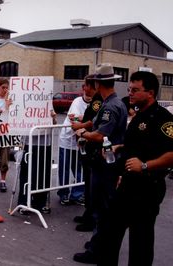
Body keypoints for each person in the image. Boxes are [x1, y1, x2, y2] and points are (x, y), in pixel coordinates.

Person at [97, 71, 173, 266]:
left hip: (147, 189)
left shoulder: (163, 119)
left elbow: (171, 155)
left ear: (150, 93)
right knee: (109, 233)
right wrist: (120, 147)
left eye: (135, 90)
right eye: (129, 89)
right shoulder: (138, 114)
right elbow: (139, 145)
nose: (130, 93)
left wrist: (145, 165)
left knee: (141, 242)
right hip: (127, 185)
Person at [73, 63, 128, 264]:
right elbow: (95, 123)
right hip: (105, 162)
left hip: (106, 164)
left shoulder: (111, 106)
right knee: (101, 206)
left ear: (98, 83)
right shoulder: (110, 103)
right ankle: (99, 243)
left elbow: (100, 134)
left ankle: (99, 249)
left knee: (103, 208)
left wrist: (83, 133)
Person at [57, 79, 96, 206]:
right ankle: (63, 194)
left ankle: (77, 194)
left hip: (82, 141)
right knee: (65, 169)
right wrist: (86, 120)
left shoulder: (97, 104)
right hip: (68, 139)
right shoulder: (77, 101)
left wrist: (83, 120)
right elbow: (73, 119)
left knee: (80, 169)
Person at [71, 78, 103, 232]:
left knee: (92, 185)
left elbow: (93, 121)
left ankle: (91, 219)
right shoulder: (95, 100)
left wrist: (80, 126)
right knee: (88, 183)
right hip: (89, 146)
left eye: (86, 86)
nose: (85, 89)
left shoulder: (98, 100)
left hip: (94, 147)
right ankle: (88, 213)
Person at [17, 110, 58, 215]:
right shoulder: (26, 103)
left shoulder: (47, 104)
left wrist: (53, 117)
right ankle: (24, 202)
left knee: (43, 174)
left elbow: (54, 124)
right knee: (27, 174)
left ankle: (40, 202)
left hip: (45, 144)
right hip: (29, 143)